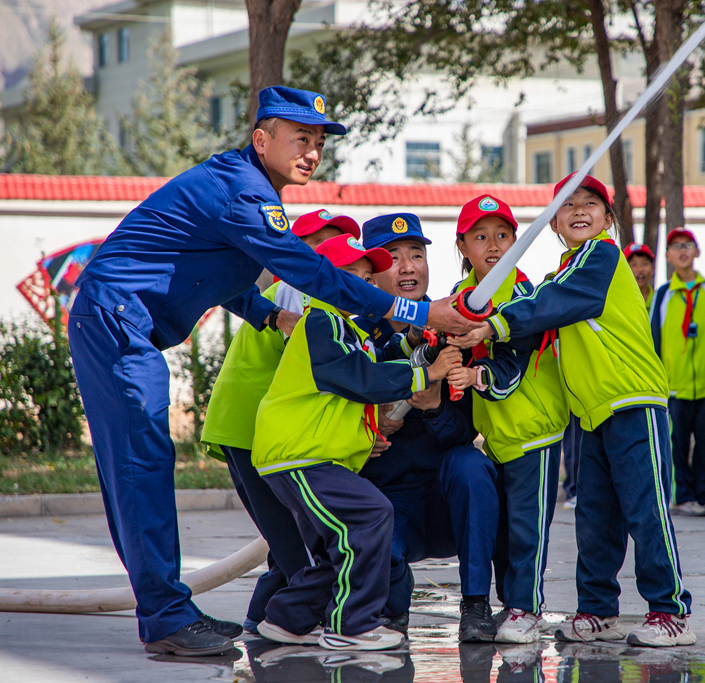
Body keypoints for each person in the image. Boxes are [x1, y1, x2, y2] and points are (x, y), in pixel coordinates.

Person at [66, 85, 478, 657]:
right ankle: (164, 618)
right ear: (261, 140)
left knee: (145, 466)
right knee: (142, 468)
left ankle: (170, 610)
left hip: (125, 322)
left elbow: (216, 270)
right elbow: (313, 272)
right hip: (115, 319)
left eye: (318, 142)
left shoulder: (246, 188)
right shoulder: (244, 193)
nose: (312, 152)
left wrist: (268, 314)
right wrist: (419, 312)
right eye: (299, 138)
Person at [452, 174, 696, 648]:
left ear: (608, 219)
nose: (580, 210)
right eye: (568, 205)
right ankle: (599, 609)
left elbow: (555, 302)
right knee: (596, 517)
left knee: (645, 510)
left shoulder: (601, 256)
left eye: (591, 203)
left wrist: (495, 326)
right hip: (591, 413)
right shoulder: (563, 270)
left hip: (632, 400)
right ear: (553, 223)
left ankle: (670, 612)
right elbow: (549, 298)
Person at [251, 235, 463, 651]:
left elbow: (372, 363)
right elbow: (362, 378)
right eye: (351, 276)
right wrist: (429, 373)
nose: (363, 285)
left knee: (341, 549)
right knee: (372, 515)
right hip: (302, 457)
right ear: (324, 281)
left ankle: (287, 620)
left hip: (313, 458)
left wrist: (415, 345)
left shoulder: (347, 329)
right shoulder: (321, 322)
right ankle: (352, 626)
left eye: (367, 278)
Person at [200, 209, 360, 634]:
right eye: (317, 245)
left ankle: (262, 618)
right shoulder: (295, 291)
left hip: (248, 425)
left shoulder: (300, 294)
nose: (326, 255)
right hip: (253, 429)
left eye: (336, 245)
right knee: (296, 541)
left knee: (284, 537)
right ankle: (297, 623)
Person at [354, 212, 501, 644]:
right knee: (381, 598)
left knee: (471, 465)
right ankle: (390, 606)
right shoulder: (354, 334)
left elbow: (466, 429)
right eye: (393, 257)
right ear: (371, 273)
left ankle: (476, 605)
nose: (408, 268)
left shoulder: (454, 328)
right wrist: (363, 429)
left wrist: (436, 408)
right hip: (387, 504)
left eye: (416, 255)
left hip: (444, 501)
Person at [447, 194, 569, 644]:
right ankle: (511, 603)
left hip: (533, 430)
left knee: (526, 528)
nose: (494, 245)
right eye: (481, 237)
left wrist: (474, 375)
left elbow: (513, 362)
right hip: (497, 433)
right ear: (463, 246)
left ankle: (526, 608)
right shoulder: (460, 298)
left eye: (503, 235)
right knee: (503, 528)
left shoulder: (524, 298)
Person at [650, 227, 705, 517]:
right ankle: (681, 497)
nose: (682, 251)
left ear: (697, 251)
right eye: (676, 246)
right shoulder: (663, 295)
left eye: (687, 245)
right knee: (677, 444)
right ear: (668, 255)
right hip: (673, 385)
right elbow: (654, 339)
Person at [624, 242, 656, 311]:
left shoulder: (660, 299)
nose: (640, 269)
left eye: (645, 264)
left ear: (653, 268)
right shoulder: (621, 301)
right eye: (634, 264)